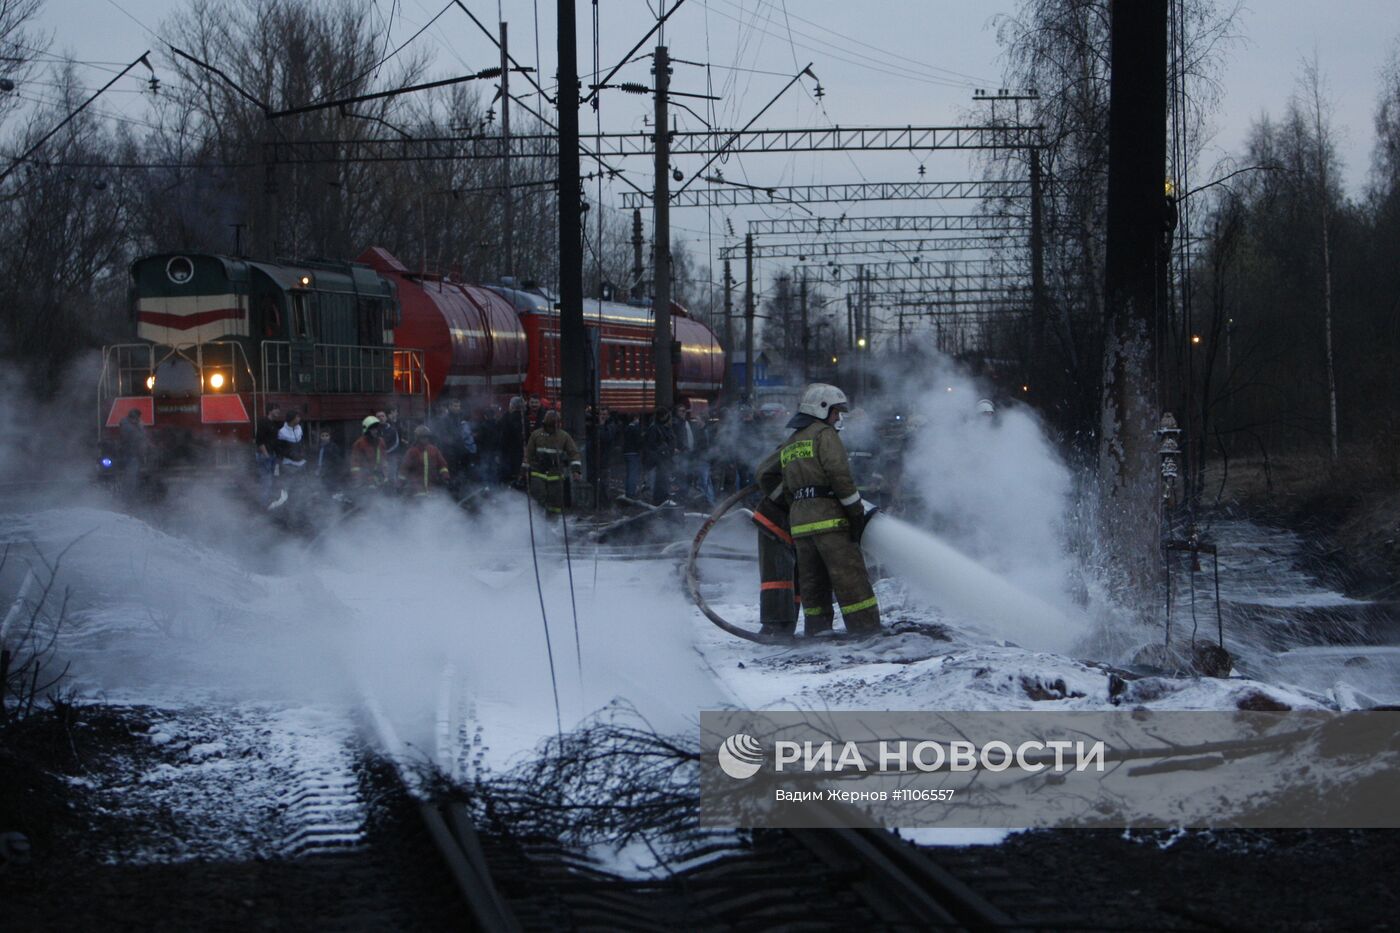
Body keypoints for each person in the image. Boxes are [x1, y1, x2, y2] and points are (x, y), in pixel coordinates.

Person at [778, 383, 881, 636]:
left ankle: (817, 632)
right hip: (829, 523)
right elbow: (839, 475)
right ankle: (866, 632)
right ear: (821, 409)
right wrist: (855, 512)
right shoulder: (824, 435)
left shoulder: (791, 442)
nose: (838, 418)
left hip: (801, 526)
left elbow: (788, 487)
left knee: (813, 585)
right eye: (835, 412)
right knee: (851, 580)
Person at [753, 446, 800, 636]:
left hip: (796, 521)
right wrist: (789, 499)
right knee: (777, 576)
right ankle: (773, 626)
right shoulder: (795, 444)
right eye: (836, 413)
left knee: (795, 576)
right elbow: (764, 474)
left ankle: (787, 625)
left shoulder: (823, 444)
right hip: (775, 521)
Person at [522, 409, 582, 514]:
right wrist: (523, 472)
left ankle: (553, 525)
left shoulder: (564, 436)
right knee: (538, 501)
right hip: (538, 474)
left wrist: (576, 471)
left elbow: (574, 454)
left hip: (556, 475)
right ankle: (539, 524)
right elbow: (528, 454)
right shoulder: (536, 435)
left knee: (555, 504)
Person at [399, 425, 452, 497]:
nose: (425, 439)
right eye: (423, 437)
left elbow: (442, 465)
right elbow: (404, 468)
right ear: (417, 438)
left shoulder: (434, 450)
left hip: (432, 489)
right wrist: (400, 484)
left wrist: (445, 477)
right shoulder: (412, 452)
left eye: (427, 437)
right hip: (416, 491)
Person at [644, 407, 677, 505]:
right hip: (659, 461)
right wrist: (661, 451)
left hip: (666, 460)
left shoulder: (666, 428)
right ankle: (658, 502)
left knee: (665, 482)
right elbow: (651, 446)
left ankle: (663, 500)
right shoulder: (654, 428)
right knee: (659, 483)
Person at [117, 408, 150, 497]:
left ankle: (131, 495)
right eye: (137, 417)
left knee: (133, 475)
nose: (139, 419)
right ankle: (128, 497)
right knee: (131, 476)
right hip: (130, 453)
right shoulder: (127, 425)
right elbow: (135, 436)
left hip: (135, 454)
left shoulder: (134, 424)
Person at [350, 415, 389, 488]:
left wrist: (386, 477)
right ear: (367, 430)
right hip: (365, 481)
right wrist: (360, 482)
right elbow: (355, 466)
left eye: (376, 429)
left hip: (379, 478)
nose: (376, 431)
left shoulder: (381, 442)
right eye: (373, 429)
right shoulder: (359, 444)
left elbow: (384, 461)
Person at [255, 405, 283, 505]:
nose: (278, 412)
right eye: (276, 409)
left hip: (272, 454)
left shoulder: (273, 423)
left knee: (270, 479)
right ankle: (263, 504)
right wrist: (266, 454)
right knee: (266, 480)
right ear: (270, 410)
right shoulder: (263, 422)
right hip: (266, 455)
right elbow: (259, 440)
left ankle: (268, 502)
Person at [498, 397, 527, 486]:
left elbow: (503, 438)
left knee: (507, 478)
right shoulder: (525, 419)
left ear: (512, 406)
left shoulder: (507, 419)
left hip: (508, 454)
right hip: (520, 453)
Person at [622, 413, 644, 499]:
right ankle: (631, 493)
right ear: (635, 418)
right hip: (633, 452)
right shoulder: (635, 429)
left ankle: (628, 491)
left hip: (627, 452)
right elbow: (638, 441)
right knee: (633, 473)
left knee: (629, 473)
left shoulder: (627, 428)